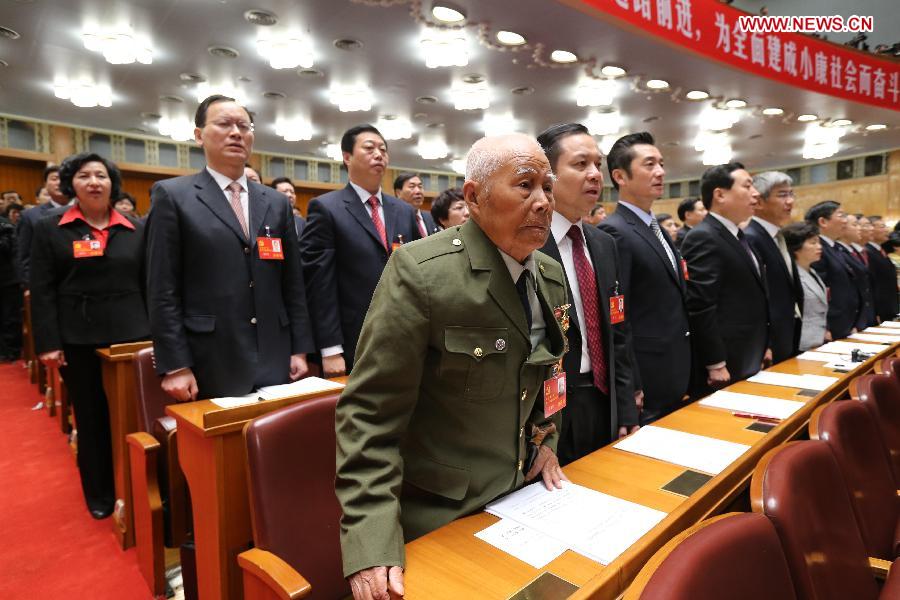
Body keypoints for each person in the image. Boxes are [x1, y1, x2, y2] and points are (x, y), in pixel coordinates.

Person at [336, 134, 568, 600]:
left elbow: (548, 373)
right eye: (525, 185)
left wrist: (544, 439)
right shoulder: (422, 273)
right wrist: (371, 542)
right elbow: (368, 416)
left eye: (548, 185)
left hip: (521, 499)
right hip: (443, 512)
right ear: (474, 197)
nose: (543, 201)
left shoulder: (548, 274)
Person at [146, 94, 314, 401]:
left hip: (274, 355)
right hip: (210, 357)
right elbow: (162, 287)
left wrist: (299, 347)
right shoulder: (173, 196)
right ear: (199, 135)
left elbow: (292, 283)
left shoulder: (275, 202)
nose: (236, 132)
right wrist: (175, 365)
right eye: (224, 124)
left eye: (244, 126)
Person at [30, 152, 149, 519]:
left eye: (102, 175)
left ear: (113, 183)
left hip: (132, 336)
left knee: (133, 418)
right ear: (72, 185)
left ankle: (137, 491)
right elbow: (43, 288)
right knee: (92, 417)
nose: (94, 182)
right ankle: (99, 494)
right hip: (78, 338)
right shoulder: (51, 228)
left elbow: (150, 283)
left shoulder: (135, 227)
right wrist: (48, 343)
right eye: (84, 176)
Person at [536, 123, 639, 462]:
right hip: (550, 408)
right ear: (548, 175)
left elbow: (618, 328)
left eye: (597, 164)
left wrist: (625, 407)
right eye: (581, 165)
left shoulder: (604, 243)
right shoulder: (528, 244)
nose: (595, 174)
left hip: (604, 395)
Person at [300, 124, 419, 377]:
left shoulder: (404, 211)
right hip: (353, 339)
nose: (379, 154)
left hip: (404, 336)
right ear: (347, 157)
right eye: (369, 148)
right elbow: (319, 283)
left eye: (383, 150)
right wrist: (330, 349)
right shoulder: (326, 208)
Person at [599, 132, 691, 424]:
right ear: (620, 176)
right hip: (649, 374)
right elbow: (618, 316)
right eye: (649, 164)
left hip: (675, 365)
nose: (661, 172)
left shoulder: (655, 226)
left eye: (661, 164)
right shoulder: (615, 231)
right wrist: (633, 383)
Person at [682, 162, 771, 394]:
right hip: (727, 359)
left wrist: (763, 345)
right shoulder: (703, 236)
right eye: (747, 186)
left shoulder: (738, 234)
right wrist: (715, 362)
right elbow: (701, 304)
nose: (756, 193)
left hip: (749, 351)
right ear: (720, 194)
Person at [744, 171, 802, 363]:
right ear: (759, 202)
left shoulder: (777, 235)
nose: (790, 201)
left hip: (788, 330)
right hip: (769, 340)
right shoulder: (751, 237)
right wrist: (765, 342)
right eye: (782, 195)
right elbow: (756, 298)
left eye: (791, 194)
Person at [806, 201, 861, 339]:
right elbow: (819, 291)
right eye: (841, 215)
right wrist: (826, 328)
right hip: (831, 326)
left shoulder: (834, 247)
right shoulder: (817, 249)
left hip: (846, 323)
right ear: (823, 221)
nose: (845, 220)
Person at [18, 165, 72, 283]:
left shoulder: (88, 211)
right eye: (54, 178)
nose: (59, 182)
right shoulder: (30, 215)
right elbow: (24, 255)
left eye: (65, 178)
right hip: (45, 282)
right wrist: (29, 284)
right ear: (45, 184)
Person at [782, 222, 829, 351]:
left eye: (819, 242)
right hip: (800, 343)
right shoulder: (791, 274)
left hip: (818, 340)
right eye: (813, 243)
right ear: (796, 247)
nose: (819, 247)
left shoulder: (812, 271)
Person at [837, 213, 875, 328]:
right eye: (855, 225)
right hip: (850, 318)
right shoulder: (838, 251)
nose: (859, 228)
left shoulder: (853, 251)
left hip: (864, 314)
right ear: (842, 228)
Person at [867, 215, 899, 322]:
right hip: (879, 310)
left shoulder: (880, 250)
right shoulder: (868, 252)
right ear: (871, 229)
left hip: (889, 307)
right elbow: (872, 284)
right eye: (882, 227)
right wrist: (876, 311)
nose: (887, 230)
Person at [0, 210, 19, 361]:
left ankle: (10, 351)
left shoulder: (4, 224)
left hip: (6, 278)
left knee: (9, 317)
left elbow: (8, 248)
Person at [394, 172, 437, 236]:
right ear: (398, 193)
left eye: (420, 187)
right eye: (412, 187)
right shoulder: (392, 218)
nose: (418, 191)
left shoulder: (430, 217)